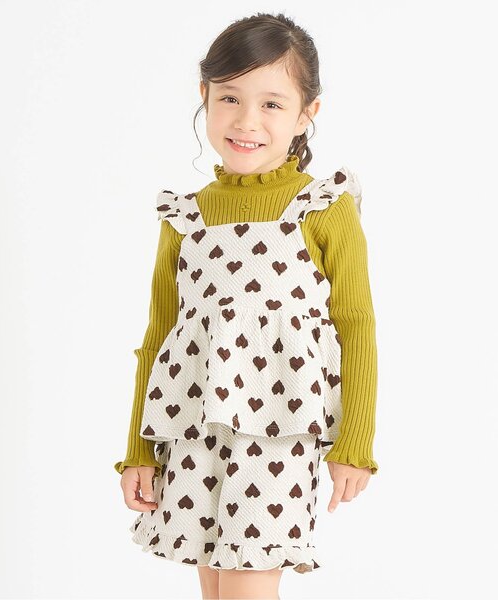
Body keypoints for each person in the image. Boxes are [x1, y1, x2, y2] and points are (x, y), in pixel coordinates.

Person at [114, 11, 379, 600]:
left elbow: (355, 325)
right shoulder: (186, 217)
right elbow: (159, 335)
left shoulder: (322, 206)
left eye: (272, 104)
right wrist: (138, 449)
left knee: (246, 588)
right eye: (229, 98)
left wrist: (354, 441)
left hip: (280, 430)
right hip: (192, 430)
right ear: (204, 96)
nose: (246, 121)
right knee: (214, 588)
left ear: (307, 113)